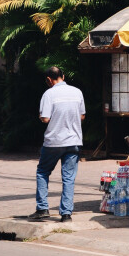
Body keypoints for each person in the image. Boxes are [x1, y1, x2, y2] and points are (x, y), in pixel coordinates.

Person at [30, 66, 85, 222]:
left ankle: (42, 209)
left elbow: (45, 119)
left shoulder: (49, 94)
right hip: (74, 141)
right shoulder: (77, 92)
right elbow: (82, 116)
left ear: (49, 80)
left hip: (54, 142)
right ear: (63, 75)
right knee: (68, 178)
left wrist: (42, 116)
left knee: (42, 172)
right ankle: (66, 214)